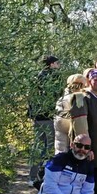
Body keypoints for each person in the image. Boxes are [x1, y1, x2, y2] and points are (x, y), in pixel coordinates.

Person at [28, 55, 63, 184]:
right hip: (48, 116)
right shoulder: (54, 76)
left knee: (38, 145)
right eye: (57, 63)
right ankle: (44, 177)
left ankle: (32, 176)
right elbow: (58, 94)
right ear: (51, 64)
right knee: (49, 147)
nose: (58, 65)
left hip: (38, 116)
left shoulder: (37, 76)